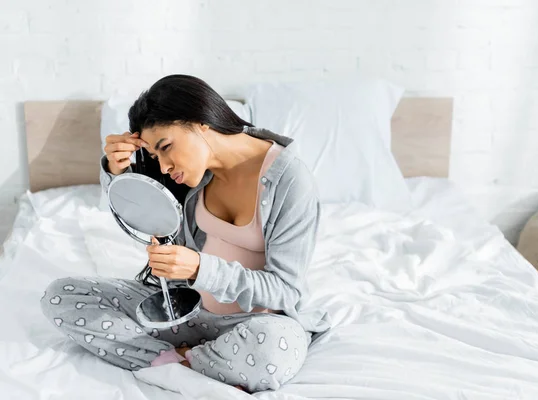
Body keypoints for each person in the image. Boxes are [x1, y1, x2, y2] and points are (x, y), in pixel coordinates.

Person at [40, 74, 330, 392]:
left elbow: (286, 290)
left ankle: (173, 363)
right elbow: (141, 218)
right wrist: (116, 172)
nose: (163, 166)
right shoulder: (190, 174)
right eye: (155, 156)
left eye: (166, 147)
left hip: (258, 324)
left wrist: (199, 268)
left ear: (201, 121)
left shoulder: (289, 179)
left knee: (271, 353)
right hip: (185, 314)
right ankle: (179, 362)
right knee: (61, 295)